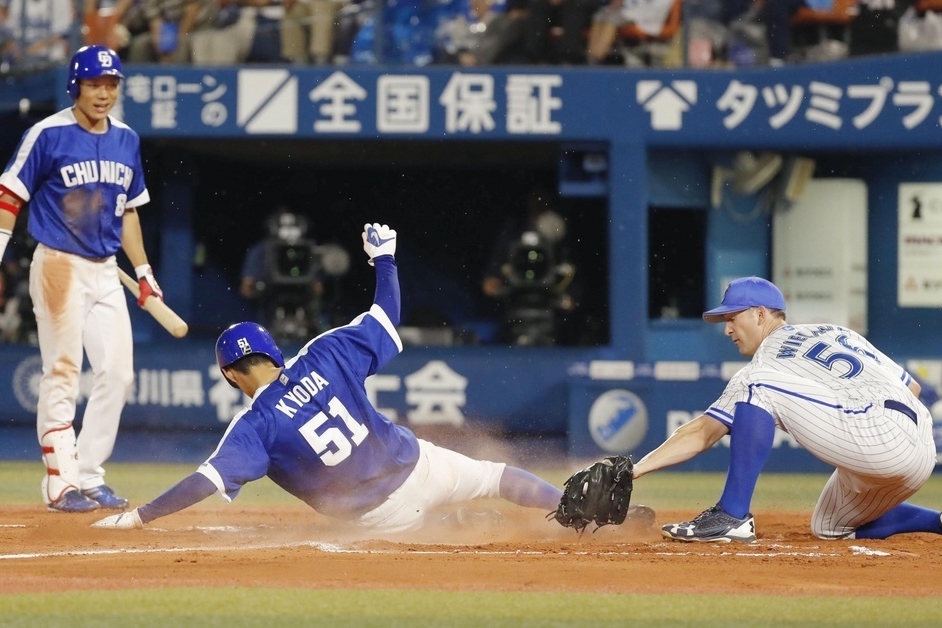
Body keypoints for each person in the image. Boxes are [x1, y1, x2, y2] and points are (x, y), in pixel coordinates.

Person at [91, 223, 564, 534]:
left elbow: (204, 481)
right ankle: (577, 509)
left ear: (230, 376)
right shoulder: (325, 353)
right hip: (423, 463)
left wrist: (139, 517)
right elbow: (386, 314)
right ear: (274, 350)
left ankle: (459, 523)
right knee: (495, 476)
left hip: (385, 517)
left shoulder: (256, 425)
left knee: (429, 536)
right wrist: (385, 259)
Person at [630, 276, 941, 543]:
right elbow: (911, 387)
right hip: (920, 448)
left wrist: (635, 470)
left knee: (756, 382)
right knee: (830, 526)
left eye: (732, 318)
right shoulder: (837, 333)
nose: (727, 330)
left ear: (761, 314)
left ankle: (732, 515)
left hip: (879, 435)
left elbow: (702, 433)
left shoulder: (767, 361)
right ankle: (937, 521)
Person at [0, 45, 163, 513]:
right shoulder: (47, 134)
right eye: (95, 84)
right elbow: (9, 196)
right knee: (64, 373)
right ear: (77, 86)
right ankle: (60, 482)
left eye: (112, 84)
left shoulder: (127, 139)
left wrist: (146, 271)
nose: (104, 93)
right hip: (58, 266)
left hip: (108, 269)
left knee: (118, 374)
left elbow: (128, 211)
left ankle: (89, 475)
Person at [0, 0, 74, 70]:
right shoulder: (17, 2)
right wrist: (12, 47)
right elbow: (10, 32)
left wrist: (27, 52)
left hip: (51, 64)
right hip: (20, 61)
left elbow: (60, 36)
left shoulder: (61, 1)